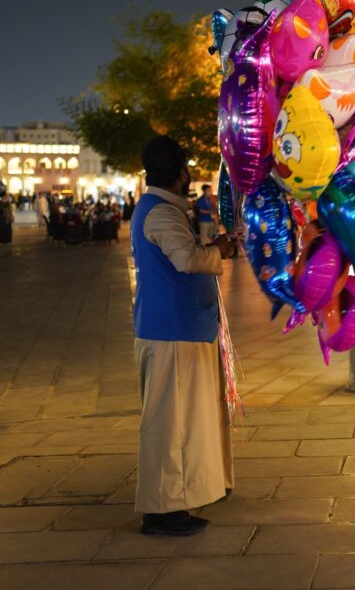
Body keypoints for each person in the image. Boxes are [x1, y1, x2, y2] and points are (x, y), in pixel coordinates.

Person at [131, 136, 235, 536]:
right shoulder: (162, 214)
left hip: (179, 330)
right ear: (181, 174)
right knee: (169, 425)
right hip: (171, 333)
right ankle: (162, 510)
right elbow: (187, 259)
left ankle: (181, 495)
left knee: (182, 422)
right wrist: (219, 251)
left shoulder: (161, 209)